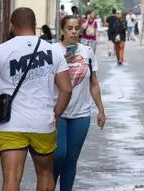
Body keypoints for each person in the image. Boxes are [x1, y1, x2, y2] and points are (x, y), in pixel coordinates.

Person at [0, 8, 72, 191]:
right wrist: (56, 114)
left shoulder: (1, 51)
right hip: (43, 123)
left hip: (12, 124)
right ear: (35, 26)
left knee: (11, 178)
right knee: (45, 174)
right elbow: (66, 89)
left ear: (12, 26)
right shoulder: (53, 52)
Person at [53, 15, 105, 191]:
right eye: (69, 28)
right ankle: (48, 184)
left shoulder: (87, 52)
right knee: (59, 155)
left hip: (81, 114)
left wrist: (101, 110)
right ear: (62, 30)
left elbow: (94, 83)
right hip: (57, 113)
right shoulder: (53, 51)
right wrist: (61, 64)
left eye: (76, 28)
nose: (74, 32)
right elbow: (44, 82)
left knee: (71, 158)